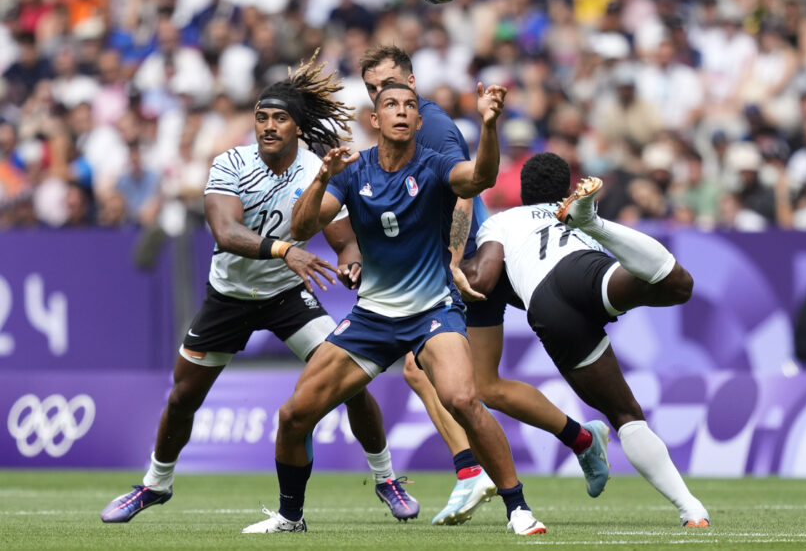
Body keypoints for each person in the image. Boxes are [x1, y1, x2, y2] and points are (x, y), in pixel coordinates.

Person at [100, 54, 417, 523]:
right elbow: (226, 233)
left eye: (279, 118)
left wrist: (351, 264)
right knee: (182, 397)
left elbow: (344, 239)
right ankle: (155, 485)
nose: (268, 126)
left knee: (348, 380)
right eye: (261, 117)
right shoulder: (230, 163)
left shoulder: (316, 169)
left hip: (287, 297)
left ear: (297, 127)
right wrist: (285, 250)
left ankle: (386, 478)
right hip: (227, 296)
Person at [242, 82, 546, 535]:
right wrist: (323, 176)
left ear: (418, 122)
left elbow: (479, 178)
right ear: (375, 120)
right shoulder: (352, 171)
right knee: (293, 415)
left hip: (432, 311)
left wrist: (489, 125)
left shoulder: (435, 165)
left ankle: (518, 508)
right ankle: (290, 517)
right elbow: (303, 225)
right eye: (390, 105)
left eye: (408, 106)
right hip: (372, 316)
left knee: (463, 398)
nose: (401, 112)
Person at [358, 45, 608, 525]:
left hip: (466, 262)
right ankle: (582, 438)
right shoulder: (397, 127)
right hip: (459, 261)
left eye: (389, 84)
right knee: (484, 385)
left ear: (411, 82)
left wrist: (454, 260)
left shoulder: (428, 125)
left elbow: (465, 191)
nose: (382, 94)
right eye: (372, 89)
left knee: (417, 367)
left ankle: (471, 470)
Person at [460, 153, 711, 528]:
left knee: (625, 414)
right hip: (585, 272)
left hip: (548, 305)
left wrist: (446, 270)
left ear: (522, 191)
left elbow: (481, 281)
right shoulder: (563, 216)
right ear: (565, 189)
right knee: (679, 285)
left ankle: (692, 509)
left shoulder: (503, 220)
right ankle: (595, 222)